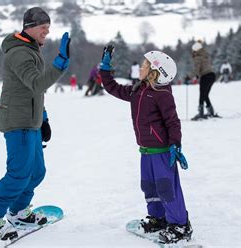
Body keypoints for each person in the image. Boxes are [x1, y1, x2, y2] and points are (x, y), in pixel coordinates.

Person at [0, 7, 70, 241]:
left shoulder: (31, 49)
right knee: (19, 174)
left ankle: (18, 211)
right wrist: (59, 64)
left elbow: (34, 92)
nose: (47, 32)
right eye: (43, 27)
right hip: (17, 122)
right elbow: (37, 84)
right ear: (29, 26)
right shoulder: (19, 53)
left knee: (37, 172)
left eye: (49, 27)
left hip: (32, 121)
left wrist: (44, 118)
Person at [99, 46, 193, 244]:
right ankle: (158, 218)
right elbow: (112, 87)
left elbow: (173, 121)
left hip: (162, 152)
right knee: (149, 187)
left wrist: (175, 144)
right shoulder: (137, 90)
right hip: (146, 151)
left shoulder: (162, 94)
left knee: (167, 188)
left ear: (155, 72)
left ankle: (180, 225)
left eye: (144, 65)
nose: (140, 68)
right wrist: (105, 68)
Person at [189, 42, 217, 120]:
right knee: (205, 95)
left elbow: (197, 69)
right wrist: (197, 75)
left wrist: (189, 77)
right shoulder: (205, 56)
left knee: (202, 95)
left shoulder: (197, 57)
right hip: (212, 75)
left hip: (205, 76)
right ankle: (211, 112)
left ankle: (201, 113)